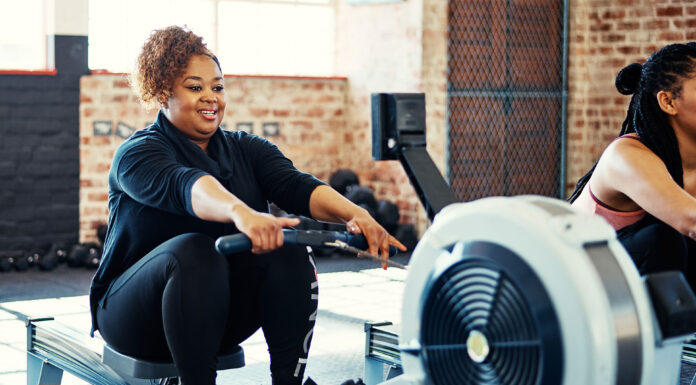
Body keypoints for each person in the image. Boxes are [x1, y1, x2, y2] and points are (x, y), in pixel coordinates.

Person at [89, 25, 406, 385]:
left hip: (215, 317)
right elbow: (187, 186)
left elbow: (297, 187)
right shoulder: (138, 154)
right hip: (134, 319)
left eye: (218, 86)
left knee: (289, 247)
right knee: (194, 251)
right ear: (163, 94)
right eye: (195, 87)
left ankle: (289, 382)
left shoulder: (247, 149)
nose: (211, 98)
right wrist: (242, 212)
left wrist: (358, 214)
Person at [568, 42, 696, 287]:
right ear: (668, 102)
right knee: (663, 239)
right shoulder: (626, 155)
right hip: (576, 284)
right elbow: (691, 221)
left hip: (634, 285)